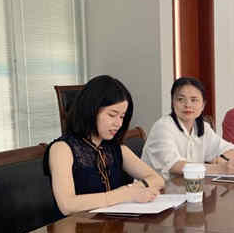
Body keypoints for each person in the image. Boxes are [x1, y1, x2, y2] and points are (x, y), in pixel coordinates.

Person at [44, 75, 164, 215]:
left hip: (112, 223)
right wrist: (125, 194)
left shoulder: (116, 148)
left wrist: (134, 189)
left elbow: (158, 180)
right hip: (75, 226)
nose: (118, 123)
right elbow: (67, 205)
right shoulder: (62, 149)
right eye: (112, 115)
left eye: (122, 116)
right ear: (91, 110)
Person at [142, 77, 234, 178]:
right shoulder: (163, 127)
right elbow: (175, 165)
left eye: (194, 100)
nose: (187, 105)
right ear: (173, 103)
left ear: (203, 105)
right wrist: (219, 169)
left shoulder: (202, 127)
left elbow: (233, 150)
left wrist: (222, 159)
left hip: (187, 185)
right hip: (158, 186)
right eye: (180, 99)